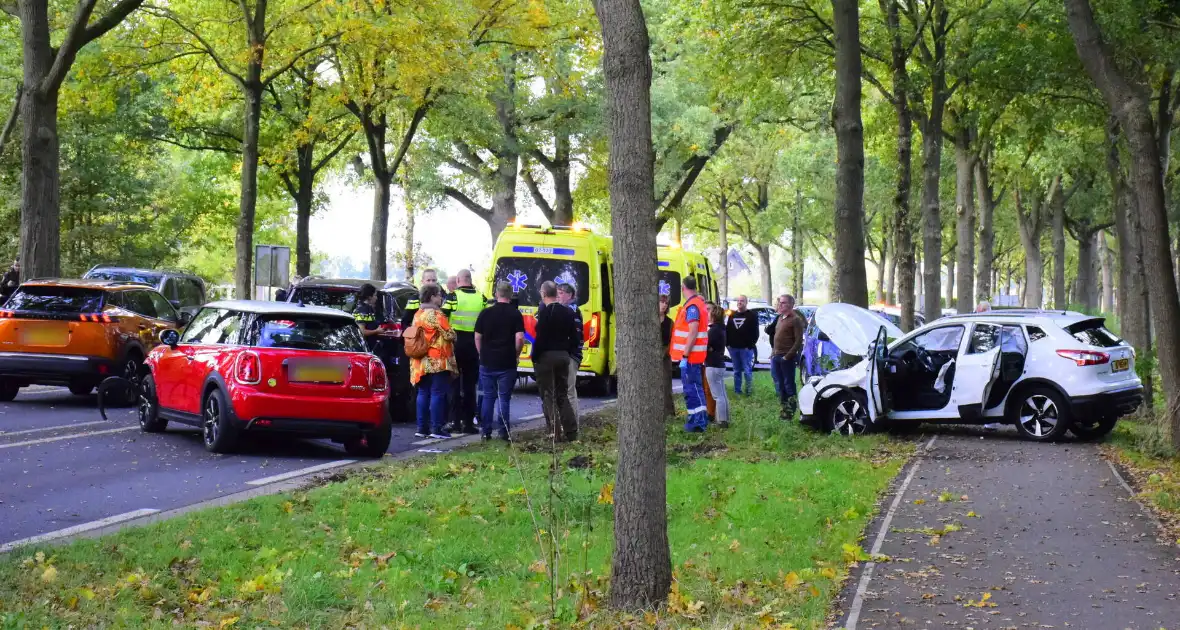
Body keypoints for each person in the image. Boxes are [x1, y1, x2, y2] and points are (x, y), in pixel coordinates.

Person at [474, 281, 524, 441]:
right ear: (510, 295)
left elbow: (477, 336)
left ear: (496, 294)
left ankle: (486, 431)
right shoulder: (515, 314)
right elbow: (520, 337)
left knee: (488, 397)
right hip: (507, 361)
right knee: (504, 398)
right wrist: (516, 354)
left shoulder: (485, 313)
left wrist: (481, 353)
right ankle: (504, 432)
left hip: (488, 360)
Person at [532, 281, 579, 441]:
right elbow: (575, 337)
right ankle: (571, 431)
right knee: (562, 395)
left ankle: (554, 433)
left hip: (546, 356)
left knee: (548, 395)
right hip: (563, 356)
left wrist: (535, 356)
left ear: (543, 294)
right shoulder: (568, 312)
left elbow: (540, 337)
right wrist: (568, 352)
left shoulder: (545, 313)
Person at [409, 284, 457, 439]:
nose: (441, 298)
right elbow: (449, 334)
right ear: (431, 297)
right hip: (437, 360)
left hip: (420, 360)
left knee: (423, 393)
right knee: (437, 393)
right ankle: (437, 428)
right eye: (438, 295)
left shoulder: (418, 314)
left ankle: (422, 428)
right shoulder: (437, 315)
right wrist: (455, 334)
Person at [449, 268, 487, 435]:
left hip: (456, 344)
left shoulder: (453, 296)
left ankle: (456, 422)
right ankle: (469, 424)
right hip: (474, 344)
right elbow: (487, 317)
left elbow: (442, 317)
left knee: (455, 385)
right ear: (470, 280)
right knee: (470, 386)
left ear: (458, 280)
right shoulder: (481, 297)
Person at [670, 277, 708, 432]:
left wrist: (685, 356)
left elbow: (693, 331)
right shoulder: (697, 304)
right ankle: (696, 421)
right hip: (693, 356)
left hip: (691, 357)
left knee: (693, 390)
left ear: (682, 287)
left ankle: (698, 423)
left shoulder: (692, 306)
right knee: (693, 390)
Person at [765, 294, 805, 419]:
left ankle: (791, 411)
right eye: (779, 302)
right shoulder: (780, 318)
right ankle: (783, 409)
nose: (780, 305)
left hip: (786, 357)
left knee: (788, 384)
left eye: (783, 303)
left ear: (791, 305)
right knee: (779, 384)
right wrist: (773, 352)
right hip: (776, 356)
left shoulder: (795, 320)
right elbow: (775, 336)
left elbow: (798, 341)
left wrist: (787, 356)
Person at [557, 283, 583, 423]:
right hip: (564, 354)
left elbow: (575, 337)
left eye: (561, 293)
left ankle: (573, 425)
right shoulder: (563, 310)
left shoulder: (573, 311)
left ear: (570, 295)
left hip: (570, 356)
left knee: (569, 391)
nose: (558, 296)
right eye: (557, 292)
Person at [726, 295, 758, 396]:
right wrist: (727, 344)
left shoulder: (752, 315)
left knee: (747, 370)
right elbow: (728, 330)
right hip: (733, 348)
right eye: (738, 301)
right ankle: (737, 391)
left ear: (746, 302)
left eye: (742, 301)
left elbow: (755, 332)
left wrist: (750, 345)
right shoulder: (732, 315)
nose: (740, 302)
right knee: (736, 371)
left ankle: (748, 391)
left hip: (746, 349)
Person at [705, 303, 730, 429]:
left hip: (712, 365)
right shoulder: (721, 328)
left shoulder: (713, 330)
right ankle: (725, 418)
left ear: (713, 315)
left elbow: (706, 346)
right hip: (719, 364)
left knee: (717, 395)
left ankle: (721, 421)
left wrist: (707, 348)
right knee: (722, 394)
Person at [659, 294, 675, 418]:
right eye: (662, 302)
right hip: (651, 354)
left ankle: (669, 412)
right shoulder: (650, 320)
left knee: (666, 385)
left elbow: (672, 340)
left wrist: (665, 352)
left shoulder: (670, 322)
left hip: (665, 355)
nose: (664, 305)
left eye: (666, 303)